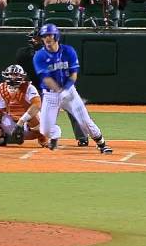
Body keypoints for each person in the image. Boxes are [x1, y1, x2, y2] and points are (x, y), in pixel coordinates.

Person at [33, 23, 113, 153]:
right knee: (45, 130)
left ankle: (101, 143)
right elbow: (46, 79)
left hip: (69, 91)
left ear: (56, 36)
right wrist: (60, 92)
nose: (47, 38)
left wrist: (66, 90)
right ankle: (56, 134)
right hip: (51, 94)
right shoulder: (39, 56)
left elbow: (73, 74)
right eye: (44, 36)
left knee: (84, 121)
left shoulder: (68, 51)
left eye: (50, 35)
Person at [16, 29, 89, 146]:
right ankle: (43, 136)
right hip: (39, 89)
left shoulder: (58, 52)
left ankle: (82, 137)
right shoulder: (26, 54)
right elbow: (26, 57)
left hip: (60, 87)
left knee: (74, 109)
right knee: (43, 113)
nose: (39, 41)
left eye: (41, 38)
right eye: (38, 38)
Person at [0, 64, 48, 147]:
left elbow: (37, 105)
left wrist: (21, 121)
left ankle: (43, 139)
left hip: (28, 126)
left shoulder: (29, 88)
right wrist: (9, 127)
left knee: (33, 115)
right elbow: (0, 110)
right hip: (12, 125)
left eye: (16, 75)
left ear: (22, 76)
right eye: (11, 74)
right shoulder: (0, 89)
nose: (13, 77)